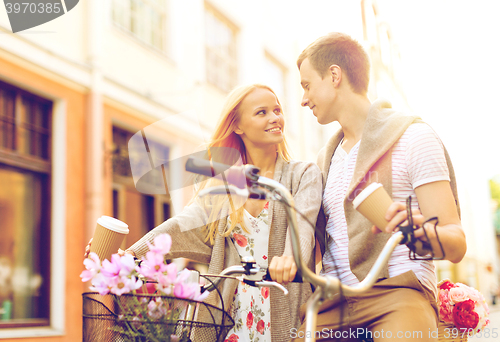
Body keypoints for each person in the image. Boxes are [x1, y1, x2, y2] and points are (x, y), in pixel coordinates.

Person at [86, 84, 322, 342]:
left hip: (286, 313)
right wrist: (129, 256)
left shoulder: (303, 174)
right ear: (238, 126)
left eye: (277, 110)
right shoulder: (224, 185)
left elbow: (303, 223)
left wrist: (290, 257)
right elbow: (180, 226)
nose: (275, 118)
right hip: (232, 320)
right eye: (262, 112)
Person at [291, 32, 467, 341]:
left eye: (307, 86)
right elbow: (312, 245)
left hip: (398, 292)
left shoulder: (413, 137)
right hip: (335, 303)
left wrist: (420, 228)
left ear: (334, 76)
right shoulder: (323, 162)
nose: (303, 99)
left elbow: (456, 243)